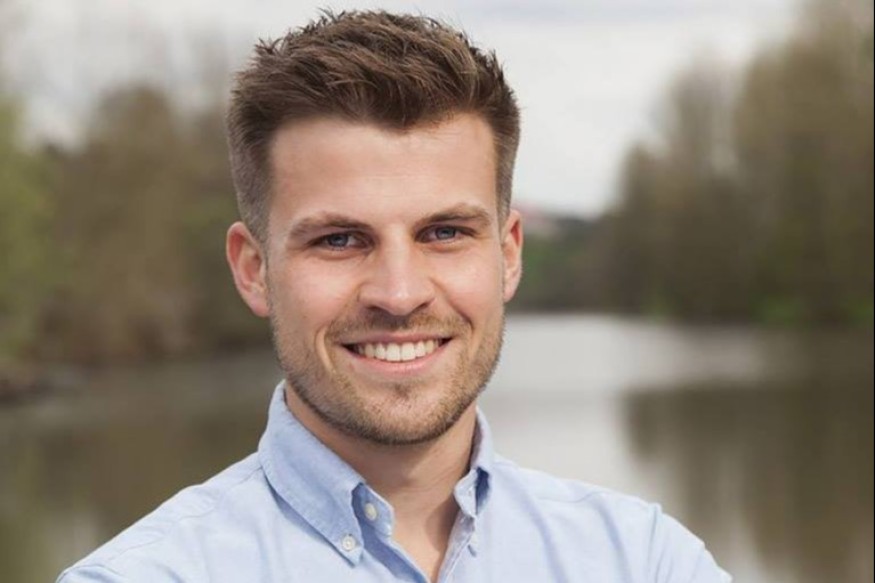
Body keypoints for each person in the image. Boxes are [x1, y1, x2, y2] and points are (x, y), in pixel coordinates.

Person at [58, 10, 730, 583]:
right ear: (253, 269)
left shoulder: (642, 561)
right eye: (339, 240)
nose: (400, 294)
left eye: (444, 232)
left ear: (507, 254)